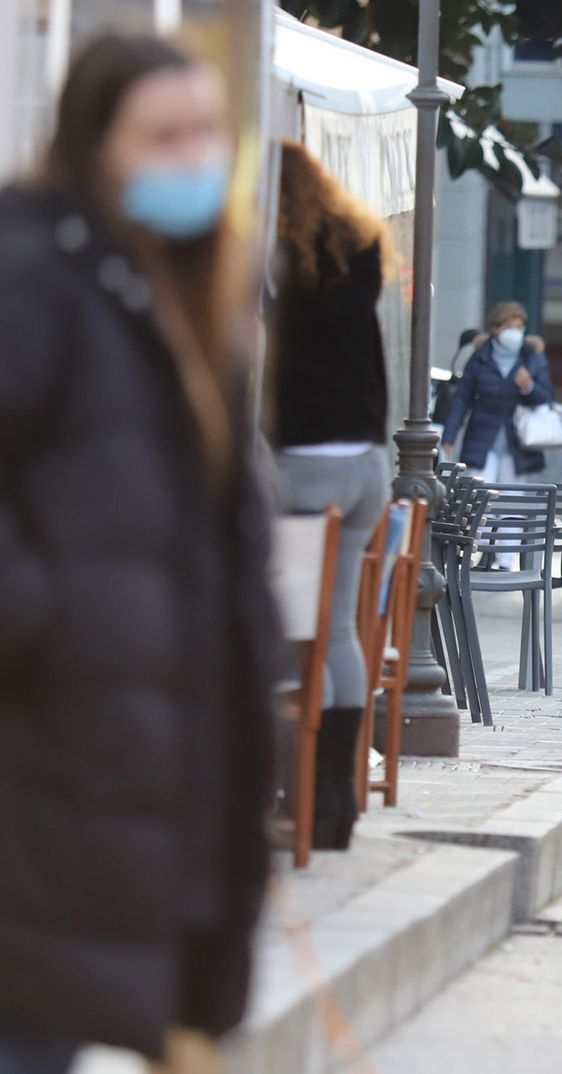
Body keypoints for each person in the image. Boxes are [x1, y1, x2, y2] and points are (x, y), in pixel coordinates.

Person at [0, 35, 277, 1071]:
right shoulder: (32, 271)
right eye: (163, 135)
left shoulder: (172, 292)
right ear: (93, 145)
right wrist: (52, 628)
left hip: (107, 792)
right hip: (36, 769)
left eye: (206, 132)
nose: (192, 157)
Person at [269, 140, 395, 850]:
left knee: (288, 627)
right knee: (338, 626)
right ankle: (335, 798)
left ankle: (295, 790)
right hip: (366, 466)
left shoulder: (281, 260)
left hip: (302, 464)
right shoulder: (361, 249)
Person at [440, 302, 555, 481]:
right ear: (495, 329)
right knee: (479, 495)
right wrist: (449, 437)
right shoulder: (480, 358)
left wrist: (528, 387)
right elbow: (462, 400)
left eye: (519, 327)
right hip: (482, 439)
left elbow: (546, 397)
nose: (515, 332)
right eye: (509, 327)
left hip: (518, 442)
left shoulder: (532, 358)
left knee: (512, 500)